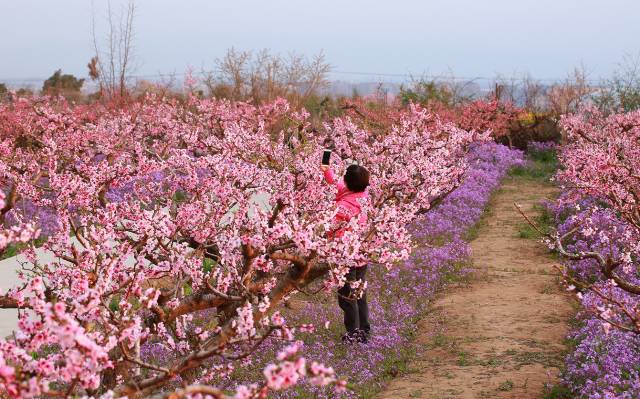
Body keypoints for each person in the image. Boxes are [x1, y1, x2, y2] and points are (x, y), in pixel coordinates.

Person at [321, 163, 371, 343]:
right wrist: (326, 171)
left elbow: (332, 230)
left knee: (347, 297)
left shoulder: (342, 207)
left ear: (347, 182)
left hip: (346, 258)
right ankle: (364, 330)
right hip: (362, 255)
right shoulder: (364, 196)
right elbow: (337, 185)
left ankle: (353, 334)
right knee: (360, 293)